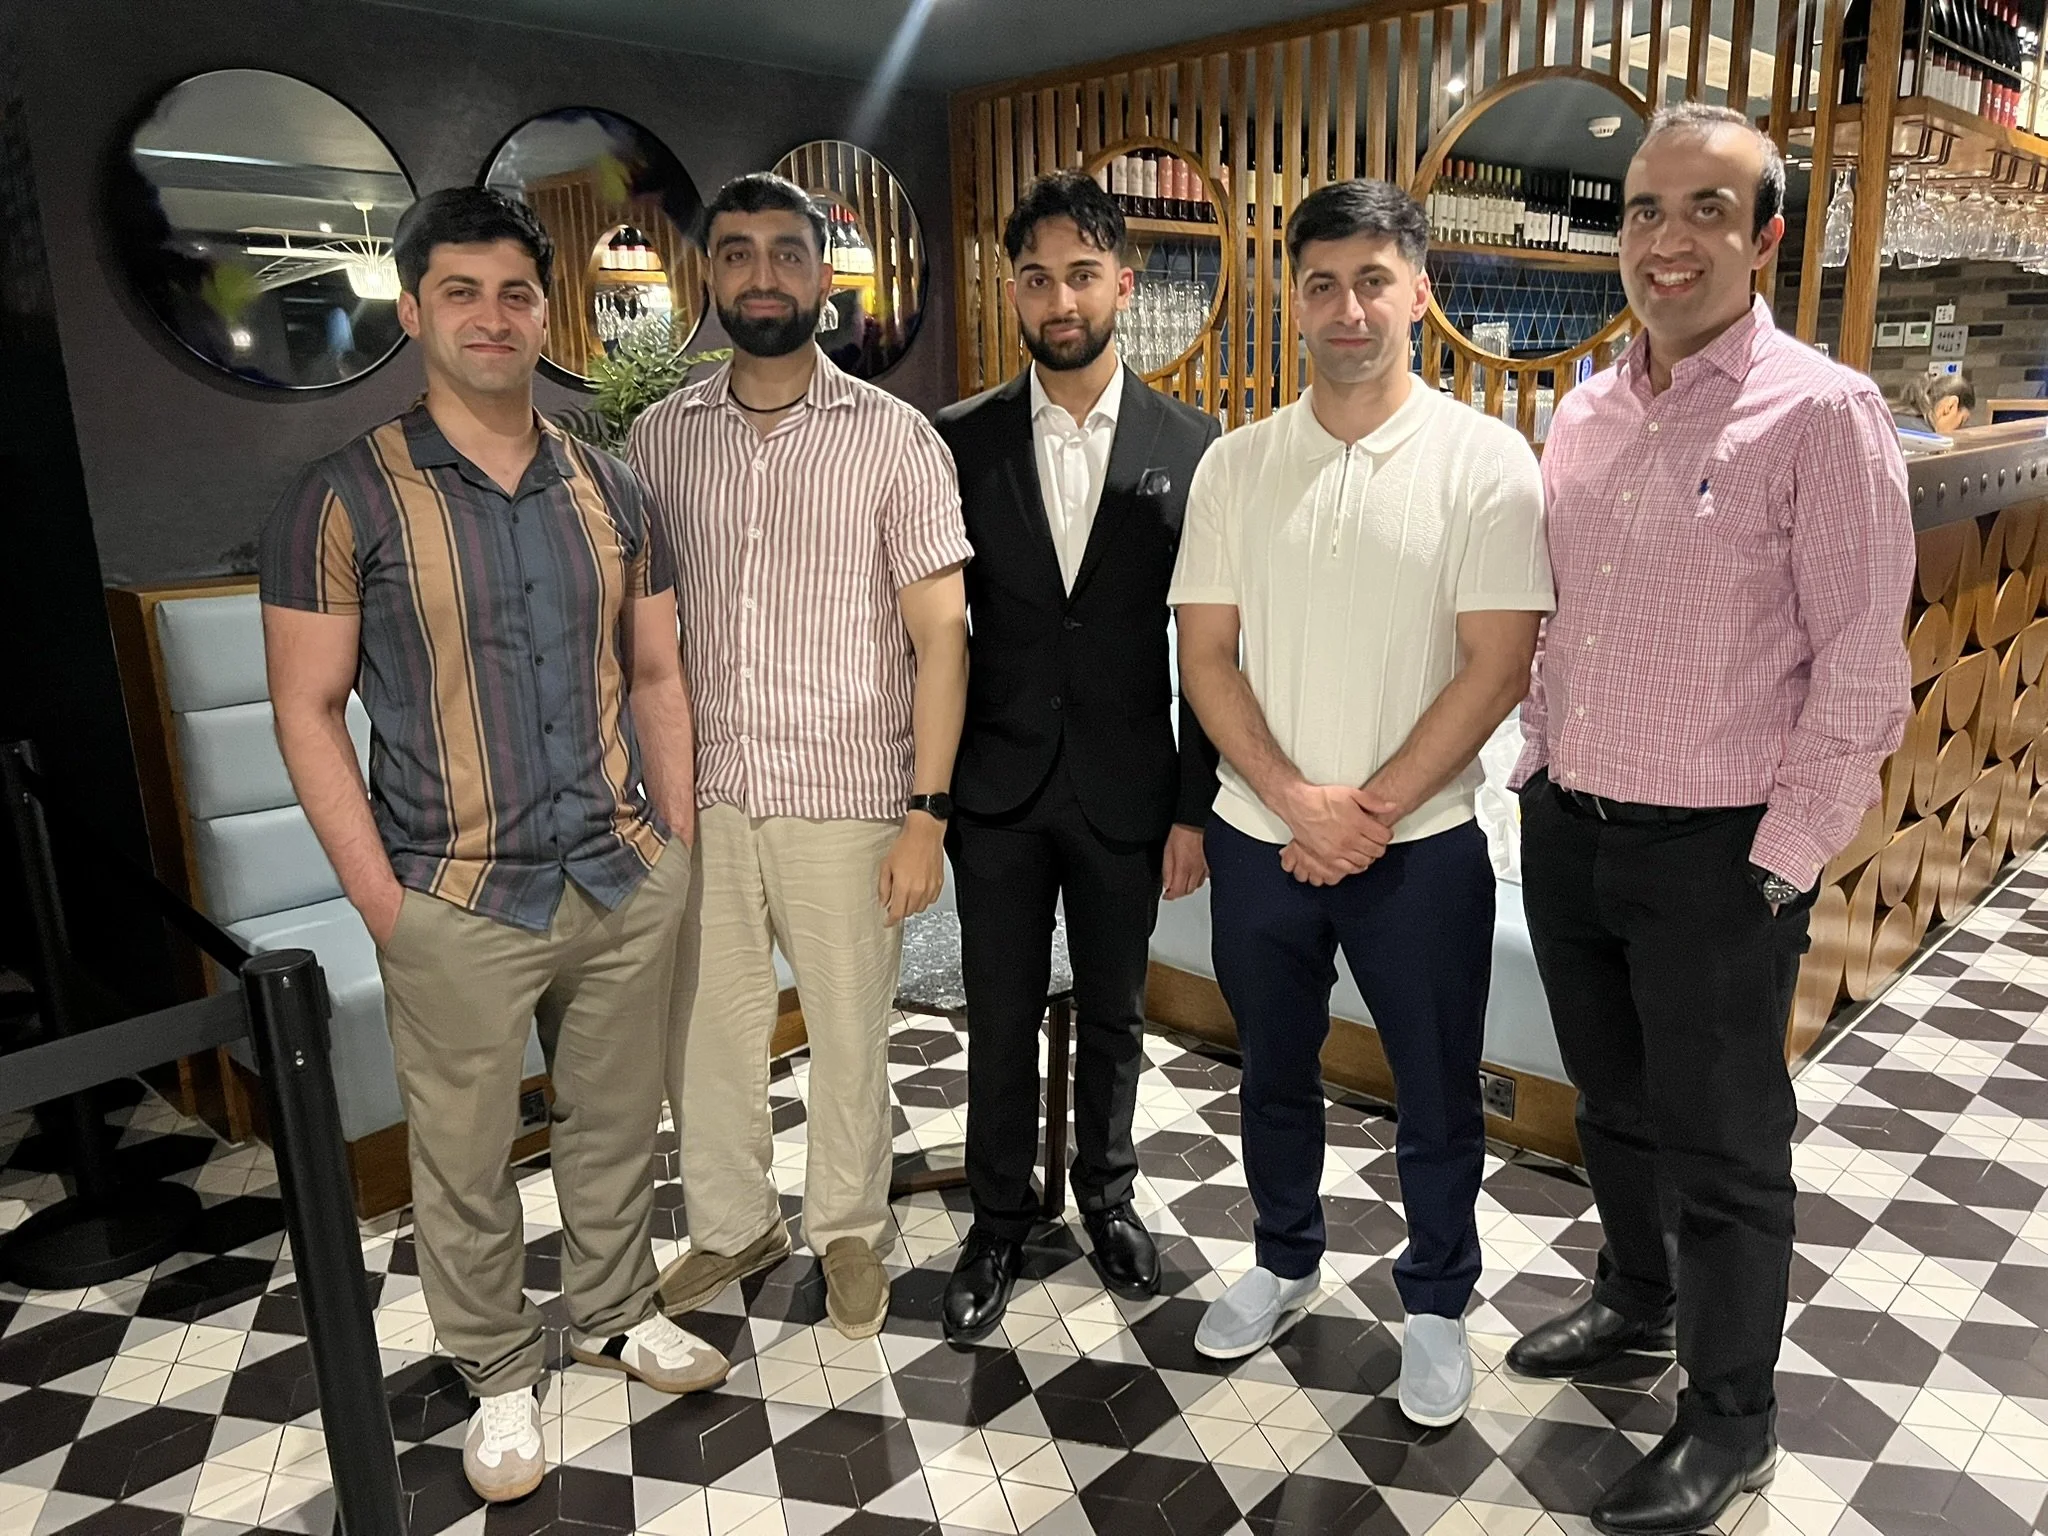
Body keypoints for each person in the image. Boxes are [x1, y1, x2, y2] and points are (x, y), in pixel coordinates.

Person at [260, 187, 725, 1506]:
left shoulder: (613, 485)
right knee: (462, 1157)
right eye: (459, 291)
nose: (491, 315)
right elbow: (305, 711)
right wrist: (380, 903)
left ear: (545, 313)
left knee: (619, 1120)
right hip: (452, 890)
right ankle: (497, 1367)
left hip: (620, 870)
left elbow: (657, 675)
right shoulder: (341, 499)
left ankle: (620, 1308)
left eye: (515, 292)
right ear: (413, 310)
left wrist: (676, 842)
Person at [1506, 103, 1913, 1536]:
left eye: (1705, 213)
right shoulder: (1585, 407)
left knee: (1728, 1144)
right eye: (1643, 212)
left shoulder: (1823, 410)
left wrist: (1781, 865)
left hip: (1717, 852)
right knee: (1611, 1105)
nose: (1667, 242)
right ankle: (1635, 1297)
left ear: (1766, 237)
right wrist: (1540, 766)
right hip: (1573, 827)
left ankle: (1730, 1419)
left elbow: (1866, 668)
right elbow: (1567, 623)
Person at [1171, 178, 1551, 1428]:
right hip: (1255, 838)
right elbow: (1205, 658)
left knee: (1439, 1089)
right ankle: (1283, 1258)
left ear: (1418, 292)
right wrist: (1290, 798)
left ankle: (1435, 1303)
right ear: (1292, 299)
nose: (1347, 309)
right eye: (1322, 284)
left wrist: (1367, 811)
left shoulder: (1485, 460)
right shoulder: (1235, 464)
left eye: (1372, 281)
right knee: (1270, 1070)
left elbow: (1497, 662)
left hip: (1424, 850)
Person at [629, 174, 972, 1341]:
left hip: (849, 802)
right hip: (705, 799)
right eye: (737, 254)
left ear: (825, 280)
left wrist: (926, 814)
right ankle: (731, 1225)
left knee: (846, 1037)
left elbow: (942, 637)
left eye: (786, 254)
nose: (761, 275)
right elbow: (643, 634)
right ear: (710, 277)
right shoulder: (656, 439)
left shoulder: (894, 439)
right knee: (707, 1037)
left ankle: (848, 1229)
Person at [932, 171, 1221, 1343]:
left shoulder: (1191, 446)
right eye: (1038, 277)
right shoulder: (955, 440)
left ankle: (1105, 1197)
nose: (1060, 299)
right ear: (1011, 287)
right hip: (994, 792)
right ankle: (996, 1219)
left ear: (1123, 284)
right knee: (996, 1014)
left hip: (1124, 790)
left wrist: (1193, 806)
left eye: (1083, 275)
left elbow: (1212, 643)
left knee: (1112, 1015)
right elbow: (928, 632)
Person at [1896, 370, 1975, 435]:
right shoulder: (1924, 438)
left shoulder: (1895, 417)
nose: (1958, 431)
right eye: (1961, 422)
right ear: (1950, 406)